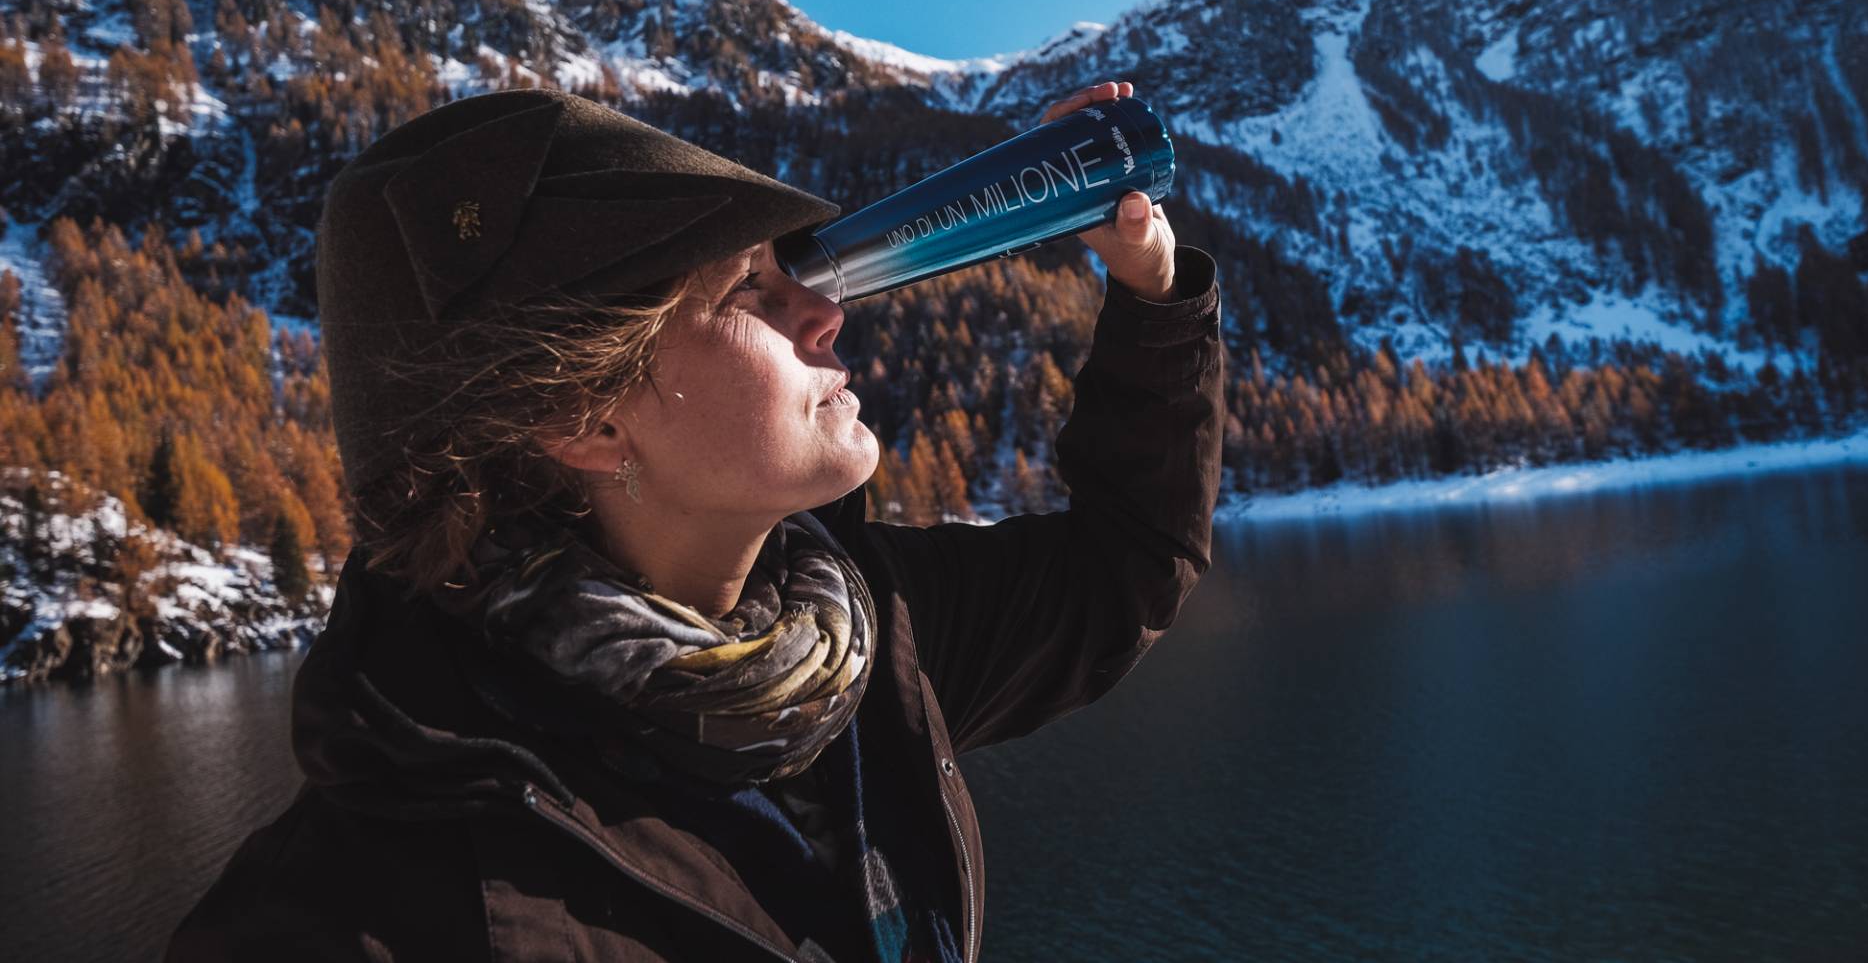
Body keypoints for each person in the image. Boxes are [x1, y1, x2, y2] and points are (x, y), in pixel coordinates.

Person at [166, 79, 1225, 963]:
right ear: (583, 418)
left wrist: (1154, 290)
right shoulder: (365, 912)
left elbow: (1124, 565)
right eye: (752, 292)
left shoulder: (860, 643)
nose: (827, 308)